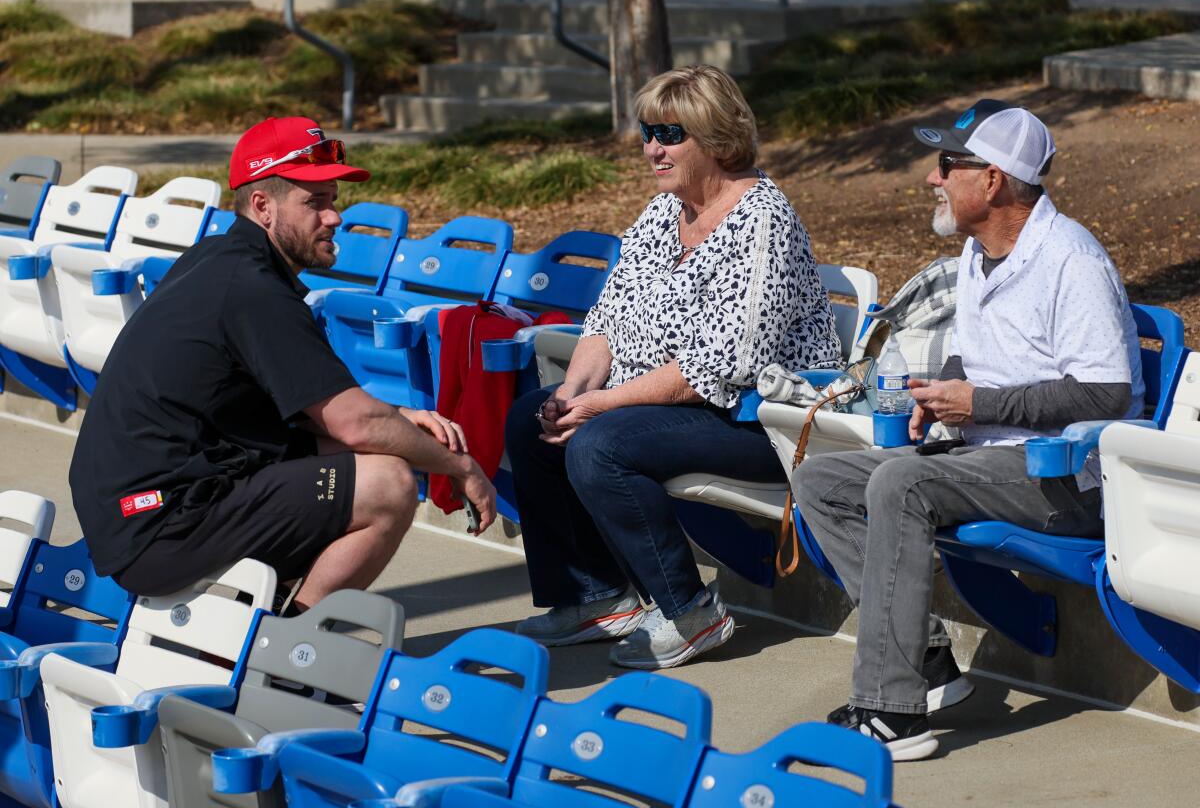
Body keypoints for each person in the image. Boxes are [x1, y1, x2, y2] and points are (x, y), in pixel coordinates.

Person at [795, 99, 1143, 760]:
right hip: (994, 456)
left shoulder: (1070, 258)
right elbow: (975, 354)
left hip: (1066, 473)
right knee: (821, 481)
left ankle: (892, 713)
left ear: (993, 181)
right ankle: (925, 665)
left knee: (901, 482)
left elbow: (1107, 389)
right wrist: (942, 392)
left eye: (947, 164)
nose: (932, 177)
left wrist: (979, 402)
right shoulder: (978, 253)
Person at [69, 116, 497, 612]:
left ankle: (261, 630)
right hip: (162, 524)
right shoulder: (253, 290)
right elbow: (354, 423)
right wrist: (460, 467)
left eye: (333, 200)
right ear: (263, 206)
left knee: (357, 458)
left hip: (138, 513)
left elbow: (321, 418)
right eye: (315, 202)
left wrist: (400, 420)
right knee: (388, 484)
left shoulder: (217, 260)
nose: (334, 217)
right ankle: (284, 648)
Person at [505, 65, 843, 669]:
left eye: (670, 133)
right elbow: (606, 319)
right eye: (646, 132)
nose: (653, 148)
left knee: (600, 444)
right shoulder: (664, 213)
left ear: (716, 137)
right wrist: (573, 393)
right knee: (533, 416)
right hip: (671, 408)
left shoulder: (762, 218)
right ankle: (595, 596)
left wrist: (601, 404)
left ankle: (690, 614)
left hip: (763, 421)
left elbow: (721, 364)